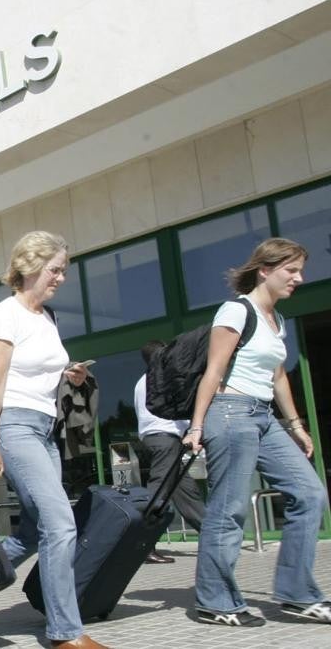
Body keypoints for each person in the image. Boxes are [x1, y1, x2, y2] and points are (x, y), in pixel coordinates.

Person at [183, 238, 329, 627]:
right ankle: (215, 601)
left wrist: (296, 425)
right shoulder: (236, 310)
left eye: (300, 270)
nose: (299, 278)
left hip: (264, 417)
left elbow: (278, 375)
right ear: (265, 270)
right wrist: (197, 425)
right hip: (230, 414)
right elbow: (213, 372)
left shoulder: (276, 320)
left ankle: (296, 594)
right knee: (229, 509)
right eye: (291, 270)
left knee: (310, 493)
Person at [0, 231, 103, 649]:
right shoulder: (3, 316)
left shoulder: (46, 318)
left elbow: (39, 369)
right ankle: (66, 634)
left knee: (32, 533)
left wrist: (71, 374)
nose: (61, 278)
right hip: (13, 426)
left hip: (45, 429)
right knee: (60, 523)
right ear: (30, 266)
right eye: (55, 270)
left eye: (64, 270)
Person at [136, 342, 205, 564]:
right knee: (159, 494)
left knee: (186, 492)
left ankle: (214, 536)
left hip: (159, 439)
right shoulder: (162, 376)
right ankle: (143, 545)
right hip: (165, 439)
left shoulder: (144, 380)